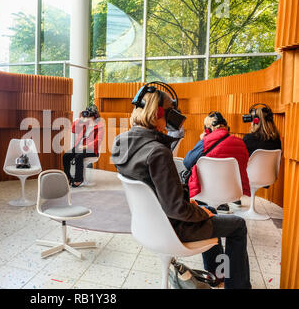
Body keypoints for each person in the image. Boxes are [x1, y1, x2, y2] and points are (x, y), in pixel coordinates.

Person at [111, 85, 251, 289]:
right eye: (171, 112)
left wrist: (199, 208)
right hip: (173, 227)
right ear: (160, 113)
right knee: (237, 225)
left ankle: (216, 273)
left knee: (210, 209)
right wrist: (201, 213)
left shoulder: (120, 143)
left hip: (147, 224)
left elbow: (159, 194)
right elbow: (177, 209)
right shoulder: (158, 152)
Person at [183, 112, 251, 213]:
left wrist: (202, 140)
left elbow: (187, 162)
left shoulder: (206, 141)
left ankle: (206, 205)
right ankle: (221, 204)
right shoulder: (241, 143)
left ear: (207, 130)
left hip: (205, 190)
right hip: (233, 190)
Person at [62, 106, 104, 187]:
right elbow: (73, 129)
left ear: (95, 116)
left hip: (91, 150)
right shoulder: (84, 123)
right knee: (66, 156)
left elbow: (98, 141)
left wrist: (86, 146)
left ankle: (78, 180)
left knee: (79, 156)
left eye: (89, 115)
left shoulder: (99, 126)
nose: (88, 117)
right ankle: (68, 177)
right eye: (87, 114)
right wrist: (79, 119)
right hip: (79, 147)